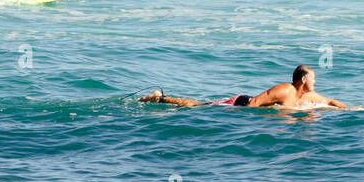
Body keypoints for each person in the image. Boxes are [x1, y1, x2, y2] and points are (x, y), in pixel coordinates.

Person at [140, 65, 352, 109]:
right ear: (303, 80)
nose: (315, 82)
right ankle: (161, 98)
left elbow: (330, 101)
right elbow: (255, 104)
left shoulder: (307, 94)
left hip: (250, 104)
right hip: (239, 103)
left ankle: (162, 98)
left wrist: (351, 110)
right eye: (313, 79)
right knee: (197, 106)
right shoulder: (285, 90)